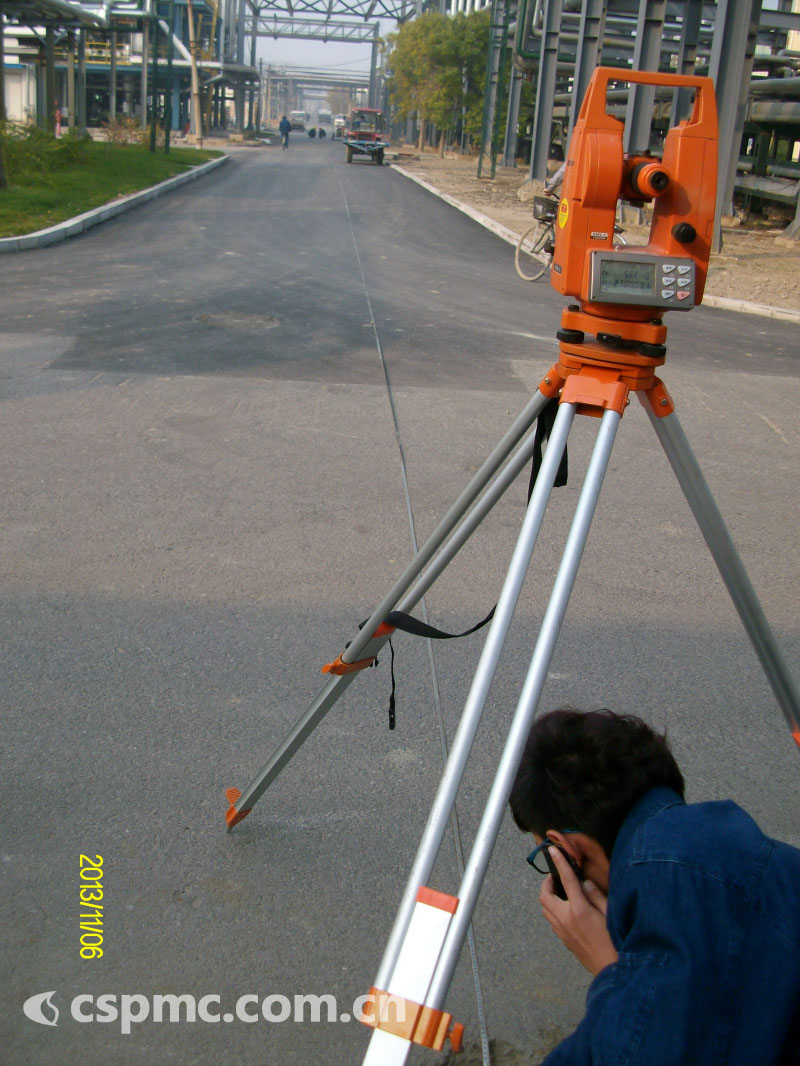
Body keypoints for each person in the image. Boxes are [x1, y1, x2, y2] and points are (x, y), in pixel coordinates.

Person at [509, 708, 800, 1065]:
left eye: (547, 854)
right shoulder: (733, 851)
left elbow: (635, 1053)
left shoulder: (664, 883)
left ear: (566, 851)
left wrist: (611, 973)